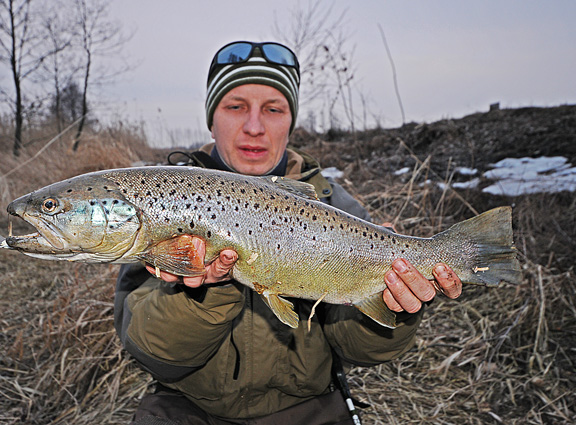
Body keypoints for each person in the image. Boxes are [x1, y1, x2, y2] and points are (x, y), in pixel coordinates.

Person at [114, 41, 462, 425]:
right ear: (211, 119)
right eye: (235, 107)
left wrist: (394, 304)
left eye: (273, 109)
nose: (254, 127)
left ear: (290, 122)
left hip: (308, 409)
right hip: (188, 409)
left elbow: (362, 352)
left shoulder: (336, 208)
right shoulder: (165, 201)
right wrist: (208, 290)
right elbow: (153, 352)